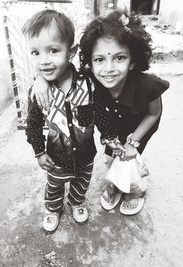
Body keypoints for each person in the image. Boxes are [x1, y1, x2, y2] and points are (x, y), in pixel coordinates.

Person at [32, 10, 170, 215]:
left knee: (130, 158)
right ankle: (115, 184)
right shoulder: (90, 80)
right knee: (111, 158)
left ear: (133, 60)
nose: (108, 69)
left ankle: (134, 190)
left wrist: (133, 143)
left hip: (139, 127)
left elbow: (153, 114)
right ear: (90, 60)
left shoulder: (147, 86)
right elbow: (62, 70)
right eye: (99, 60)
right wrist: (41, 79)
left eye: (119, 58)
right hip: (110, 127)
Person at [22, 9, 97, 233]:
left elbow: (102, 112)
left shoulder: (88, 82)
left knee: (81, 182)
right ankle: (53, 208)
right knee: (54, 185)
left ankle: (76, 201)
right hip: (56, 155)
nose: (43, 61)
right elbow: (33, 124)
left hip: (85, 153)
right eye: (35, 53)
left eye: (53, 50)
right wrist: (39, 151)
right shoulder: (38, 93)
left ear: (71, 52)